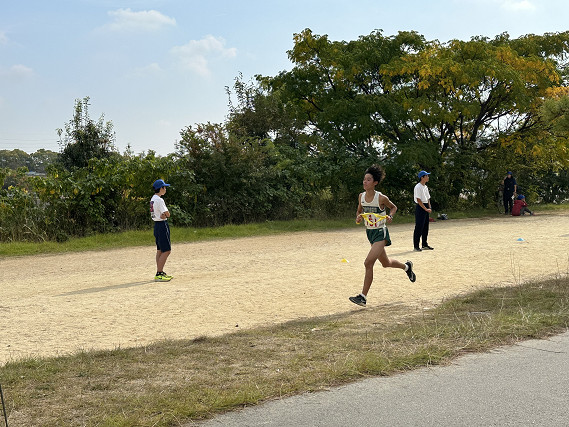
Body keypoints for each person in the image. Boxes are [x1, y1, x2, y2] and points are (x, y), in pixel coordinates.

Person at [349, 165, 416, 307]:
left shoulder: (381, 198)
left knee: (368, 263)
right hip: (370, 233)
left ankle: (363, 297)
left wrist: (390, 216)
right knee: (386, 263)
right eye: (364, 179)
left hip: (381, 233)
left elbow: (394, 207)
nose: (365, 182)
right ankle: (407, 267)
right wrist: (358, 218)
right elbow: (359, 212)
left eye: (368, 180)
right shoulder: (361, 196)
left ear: (375, 183)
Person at [150, 179, 173, 282]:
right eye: (164, 187)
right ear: (161, 188)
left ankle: (160, 271)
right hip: (162, 225)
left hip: (156, 225)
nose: (165, 189)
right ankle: (159, 273)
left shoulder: (153, 199)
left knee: (160, 250)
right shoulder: (160, 200)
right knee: (167, 250)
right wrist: (166, 214)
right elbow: (167, 213)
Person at [413, 170, 433, 252]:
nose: (428, 177)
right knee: (419, 227)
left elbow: (428, 198)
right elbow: (418, 199)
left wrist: (429, 207)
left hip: (425, 206)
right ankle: (416, 246)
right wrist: (425, 209)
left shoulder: (425, 187)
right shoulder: (418, 187)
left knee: (425, 226)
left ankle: (424, 244)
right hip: (420, 207)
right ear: (422, 177)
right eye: (426, 176)